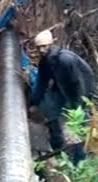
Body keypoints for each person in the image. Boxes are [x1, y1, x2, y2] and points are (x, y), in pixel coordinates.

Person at [31, 30, 95, 160]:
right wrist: (34, 101)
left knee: (78, 123)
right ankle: (57, 143)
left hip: (82, 89)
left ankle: (81, 157)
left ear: (51, 44)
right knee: (50, 108)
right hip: (63, 86)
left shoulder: (65, 60)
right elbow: (41, 83)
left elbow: (78, 84)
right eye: (39, 47)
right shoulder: (45, 61)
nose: (41, 50)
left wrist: (78, 106)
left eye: (44, 46)